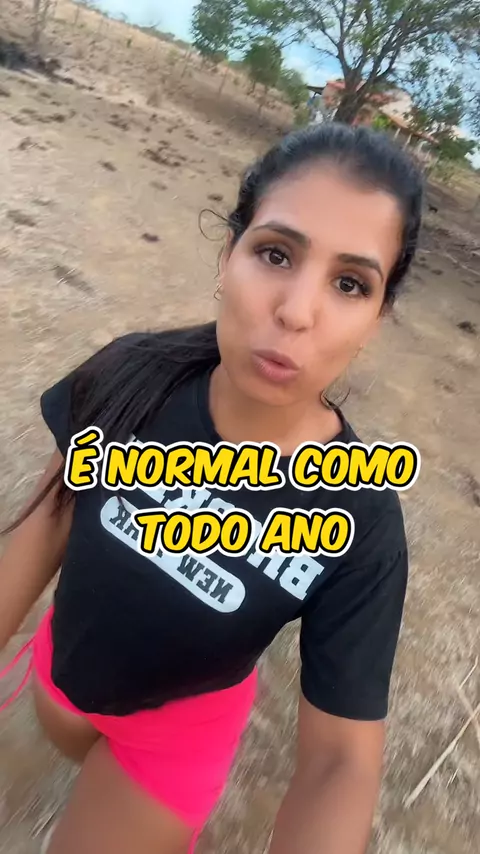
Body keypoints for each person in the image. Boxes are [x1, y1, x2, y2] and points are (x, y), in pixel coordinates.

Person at [0, 122, 423, 854]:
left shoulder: (359, 518)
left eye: (349, 283)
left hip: (172, 742)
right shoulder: (131, 376)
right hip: (59, 673)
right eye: (276, 254)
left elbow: (339, 762)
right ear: (229, 255)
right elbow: (44, 527)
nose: (296, 311)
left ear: (375, 320)